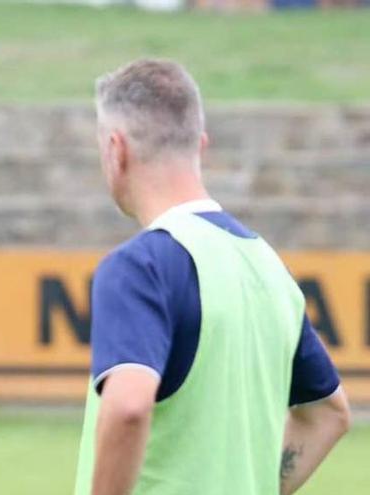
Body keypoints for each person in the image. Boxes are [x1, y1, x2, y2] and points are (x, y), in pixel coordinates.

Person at [75, 59, 351, 495]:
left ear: (116, 150)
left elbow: (128, 406)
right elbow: (329, 415)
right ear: (200, 146)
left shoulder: (139, 268)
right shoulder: (267, 268)